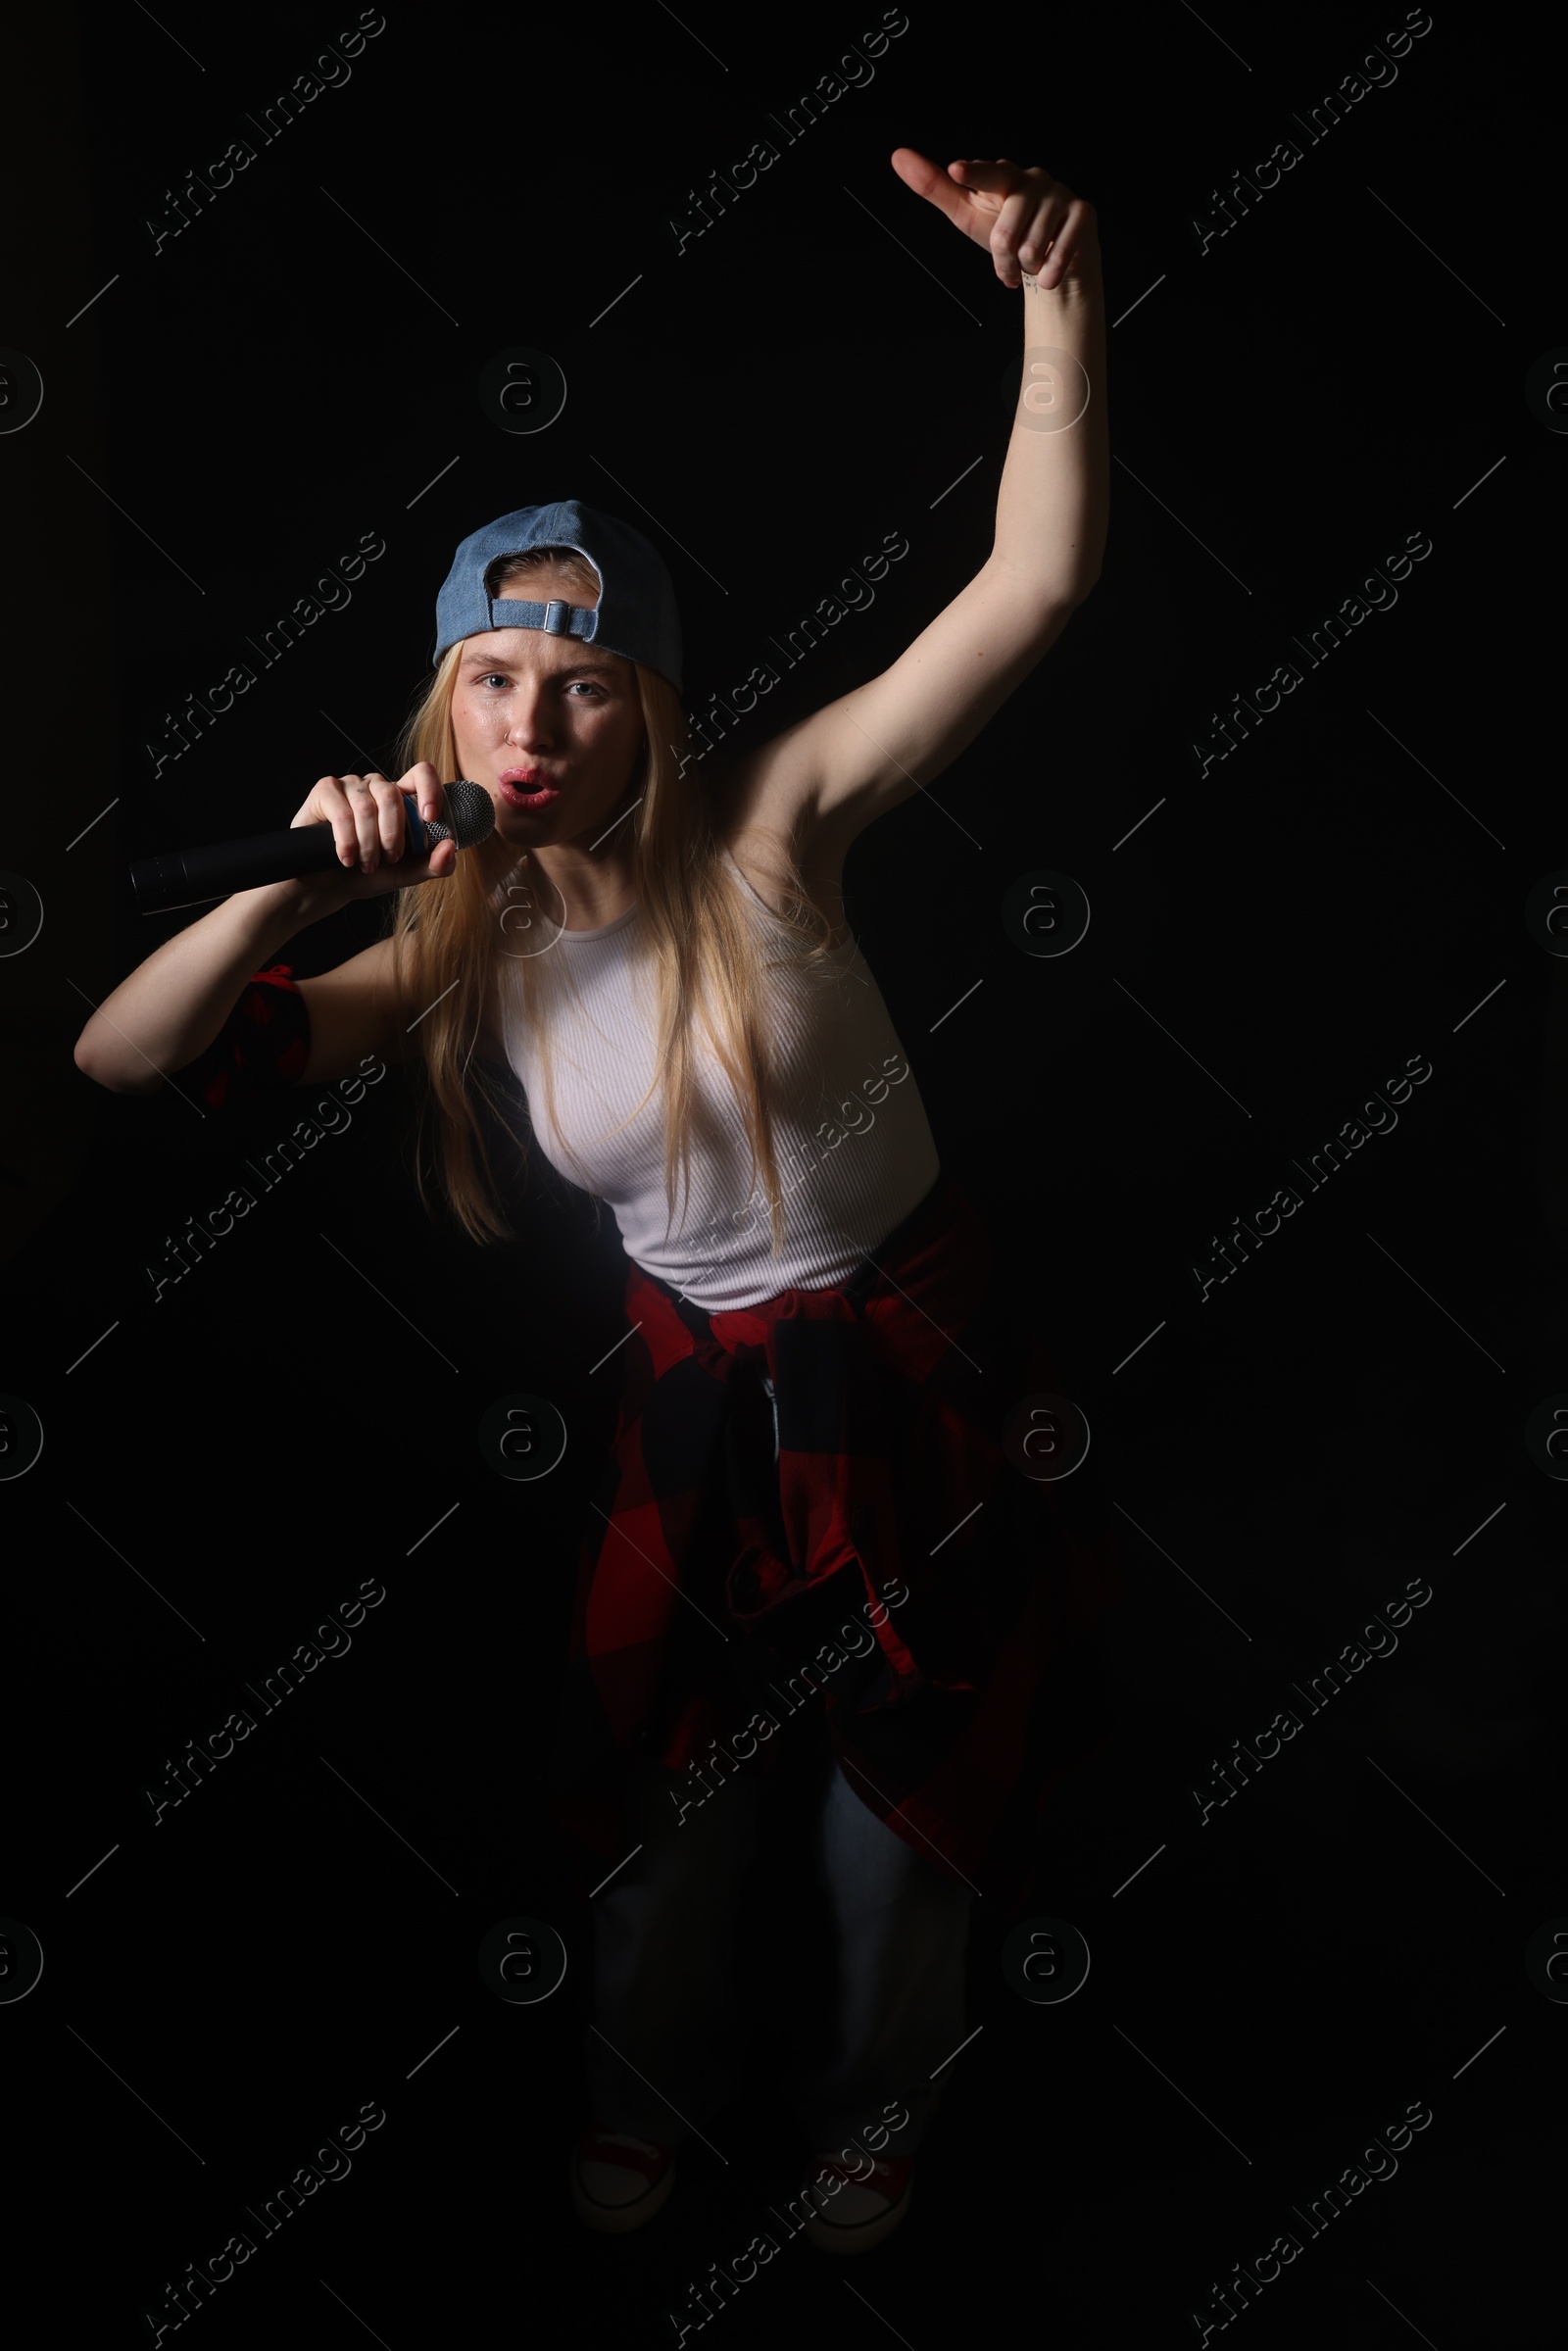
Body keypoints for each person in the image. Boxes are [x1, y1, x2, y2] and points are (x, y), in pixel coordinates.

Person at [75, 149, 1118, 2258]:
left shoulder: (770, 832)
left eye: (577, 682)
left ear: (644, 705)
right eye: (490, 680)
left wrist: (1054, 304)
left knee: (885, 1826)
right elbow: (125, 1056)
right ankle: (637, 2097)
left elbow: (1029, 586)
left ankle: (869, 2121)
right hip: (689, 1397)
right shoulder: (452, 944)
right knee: (664, 1803)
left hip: (908, 1367)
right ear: (443, 703)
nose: (531, 723)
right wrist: (296, 873)